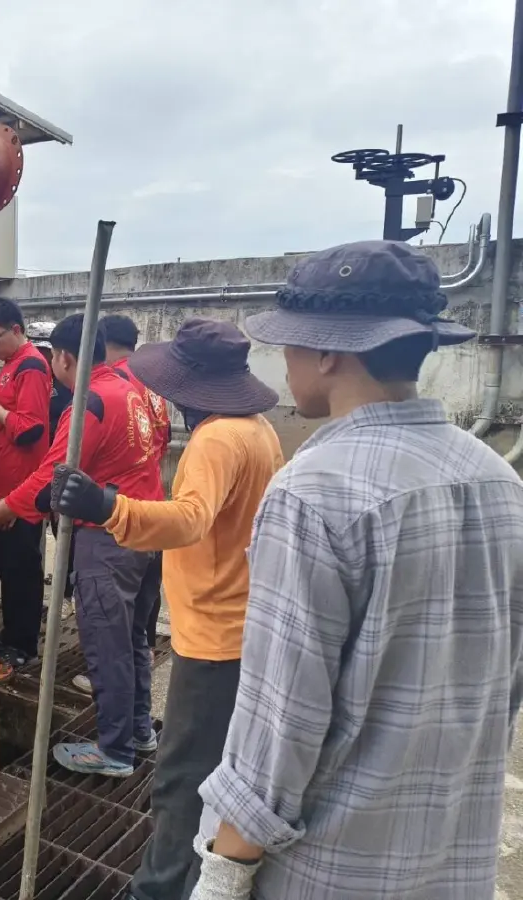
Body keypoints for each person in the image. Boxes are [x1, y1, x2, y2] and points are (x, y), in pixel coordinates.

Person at [189, 241, 523, 900]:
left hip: (330, 870)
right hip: (449, 860)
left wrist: (223, 874)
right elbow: (503, 683)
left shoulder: (313, 492)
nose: (282, 363)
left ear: (327, 352)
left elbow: (279, 727)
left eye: (289, 345)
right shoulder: (495, 477)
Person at [52, 318, 283, 899]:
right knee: (212, 762)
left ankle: (156, 889)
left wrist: (108, 506)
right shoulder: (256, 430)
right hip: (241, 616)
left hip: (216, 635)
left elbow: (190, 519)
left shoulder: (216, 439)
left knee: (182, 780)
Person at [0, 314, 163, 777]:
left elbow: (51, 478)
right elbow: (159, 446)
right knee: (133, 638)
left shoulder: (88, 404)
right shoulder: (142, 390)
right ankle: (139, 730)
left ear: (63, 357)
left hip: (108, 537)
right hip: (149, 528)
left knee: (107, 642)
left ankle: (114, 750)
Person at [0, 298, 53, 667]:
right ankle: (13, 634)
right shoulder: (10, 366)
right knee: (6, 563)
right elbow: (11, 418)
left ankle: (24, 646)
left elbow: (30, 431)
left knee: (21, 570)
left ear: (16, 330)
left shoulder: (30, 367)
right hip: (2, 483)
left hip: (21, 488)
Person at [99, 314, 172, 654]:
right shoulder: (152, 381)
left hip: (122, 503)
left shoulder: (113, 382)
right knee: (147, 587)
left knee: (118, 597)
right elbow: (165, 437)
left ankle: (120, 663)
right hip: (154, 495)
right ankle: (143, 650)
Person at [26, 320, 75, 607]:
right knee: (39, 531)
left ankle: (66, 595)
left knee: (64, 531)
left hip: (59, 465)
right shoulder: (35, 377)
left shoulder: (68, 385)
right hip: (37, 464)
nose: (43, 359)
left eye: (48, 354)